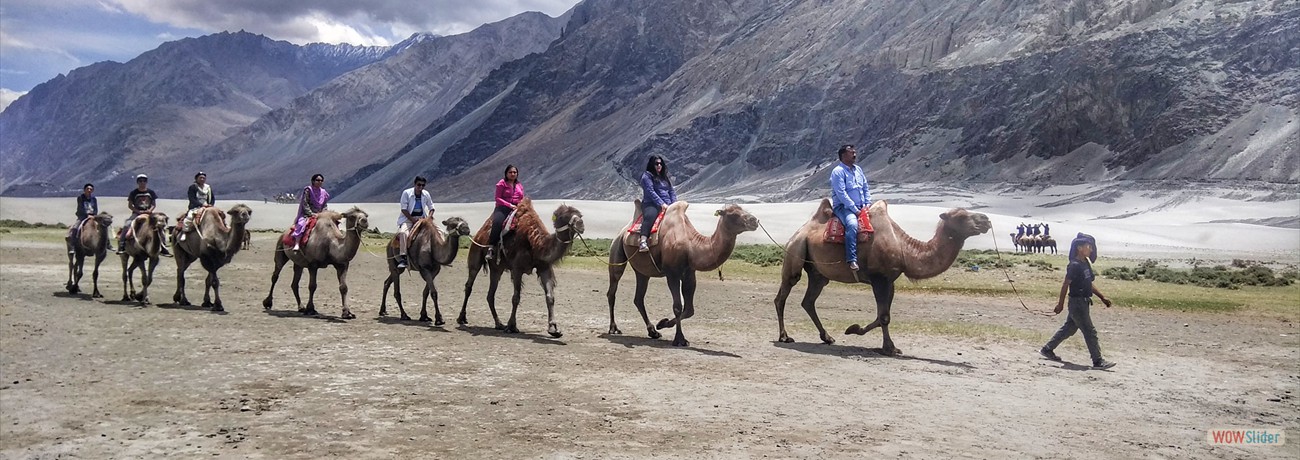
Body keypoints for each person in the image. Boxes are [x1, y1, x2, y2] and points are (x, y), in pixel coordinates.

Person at [1039, 233, 1117, 370]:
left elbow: (1088, 283)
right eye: (1088, 247)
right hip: (1077, 302)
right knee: (1089, 331)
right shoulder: (1074, 265)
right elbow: (1065, 284)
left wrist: (1102, 297)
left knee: (1069, 328)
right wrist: (1060, 304)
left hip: (1084, 301)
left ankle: (1047, 349)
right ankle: (1098, 361)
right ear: (1080, 248)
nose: (1091, 250)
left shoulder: (1085, 263)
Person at [829, 144, 872, 273]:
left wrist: (867, 204)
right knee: (852, 225)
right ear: (843, 156)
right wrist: (855, 210)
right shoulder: (838, 172)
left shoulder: (858, 169)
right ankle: (851, 259)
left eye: (854, 152)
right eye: (851, 153)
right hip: (844, 207)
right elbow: (841, 194)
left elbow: (865, 187)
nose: (854, 154)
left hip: (862, 206)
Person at [117, 174, 171, 257]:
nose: (142, 183)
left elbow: (153, 204)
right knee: (127, 224)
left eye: (144, 181)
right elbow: (130, 205)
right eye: (140, 181)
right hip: (137, 213)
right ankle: (122, 245)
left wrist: (150, 210)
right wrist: (137, 211)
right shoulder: (134, 193)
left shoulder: (150, 192)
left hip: (149, 213)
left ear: (146, 182)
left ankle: (163, 247)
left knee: (160, 226)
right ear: (137, 182)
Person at [637, 155, 677, 252]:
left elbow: (671, 191)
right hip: (651, 204)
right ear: (652, 165)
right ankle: (643, 241)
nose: (659, 165)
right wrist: (661, 204)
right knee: (651, 216)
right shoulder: (646, 176)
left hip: (668, 204)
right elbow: (651, 192)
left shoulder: (664, 177)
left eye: (660, 163)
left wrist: (674, 204)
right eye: (656, 164)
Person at [486, 165, 524, 261]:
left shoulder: (519, 185)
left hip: (517, 208)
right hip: (503, 208)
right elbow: (497, 198)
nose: (512, 174)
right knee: (498, 222)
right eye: (510, 172)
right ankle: (491, 247)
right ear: (506, 173)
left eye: (514, 172)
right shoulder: (501, 184)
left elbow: (521, 198)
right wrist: (509, 205)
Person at [395, 176, 434, 269]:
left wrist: (429, 217)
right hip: (408, 219)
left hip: (422, 219)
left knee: (438, 232)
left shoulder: (426, 194)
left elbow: (431, 207)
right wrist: (413, 220)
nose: (420, 187)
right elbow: (404, 209)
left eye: (423, 185)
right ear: (415, 184)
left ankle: (437, 254)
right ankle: (403, 258)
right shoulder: (406, 193)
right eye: (419, 185)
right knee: (403, 233)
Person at [290, 174, 330, 252]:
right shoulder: (308, 190)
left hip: (320, 214)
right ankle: (297, 243)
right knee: (301, 224)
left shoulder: (323, 192)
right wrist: (311, 214)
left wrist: (323, 213)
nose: (320, 182)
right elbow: (305, 203)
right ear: (313, 181)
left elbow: (324, 205)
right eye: (318, 180)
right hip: (308, 214)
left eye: (321, 180)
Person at [70, 183, 110, 253]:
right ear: (84, 190)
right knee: (75, 227)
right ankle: (73, 246)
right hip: (82, 216)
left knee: (103, 227)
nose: (89, 190)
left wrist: (94, 215)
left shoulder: (94, 199)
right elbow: (80, 208)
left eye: (91, 189)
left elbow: (95, 209)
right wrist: (87, 215)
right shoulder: (80, 198)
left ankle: (108, 244)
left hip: (93, 216)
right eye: (87, 189)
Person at [178, 172, 215, 242]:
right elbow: (192, 198)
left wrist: (211, 204)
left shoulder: (208, 188)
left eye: (204, 178)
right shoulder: (193, 187)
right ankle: (184, 232)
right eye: (200, 178)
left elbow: (212, 198)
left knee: (219, 215)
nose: (202, 179)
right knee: (189, 218)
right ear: (196, 179)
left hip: (208, 207)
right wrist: (201, 205)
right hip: (195, 207)